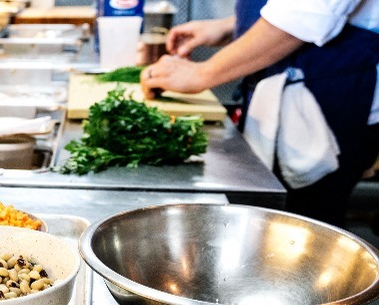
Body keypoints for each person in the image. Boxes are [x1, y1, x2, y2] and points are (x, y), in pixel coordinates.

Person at [140, 0, 379, 228]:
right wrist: (229, 26)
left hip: (331, 92)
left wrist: (202, 73)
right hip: (288, 86)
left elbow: (306, 14)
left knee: (305, 223)